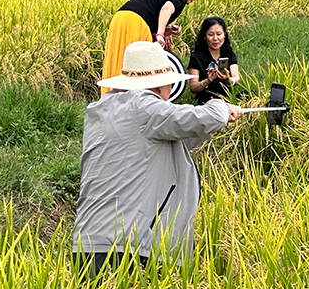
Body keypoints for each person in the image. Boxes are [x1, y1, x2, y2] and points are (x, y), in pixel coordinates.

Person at [73, 41, 243, 276]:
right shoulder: (143, 106)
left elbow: (172, 138)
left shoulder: (104, 110)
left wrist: (217, 120)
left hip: (88, 244)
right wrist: (221, 108)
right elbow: (198, 118)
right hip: (129, 248)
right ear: (160, 86)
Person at [100, 0, 202, 94]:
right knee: (137, 70)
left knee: (118, 60)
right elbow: (166, 9)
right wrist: (160, 34)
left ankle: (110, 97)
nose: (193, 0)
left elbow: (154, 14)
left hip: (120, 19)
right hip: (136, 22)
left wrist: (166, 30)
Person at [188, 16, 241, 104]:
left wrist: (227, 79)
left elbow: (236, 78)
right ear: (205, 36)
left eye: (219, 34)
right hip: (206, 101)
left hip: (227, 100)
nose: (215, 38)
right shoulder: (196, 58)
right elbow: (193, 87)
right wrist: (207, 81)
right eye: (210, 34)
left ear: (224, 35)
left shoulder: (229, 55)